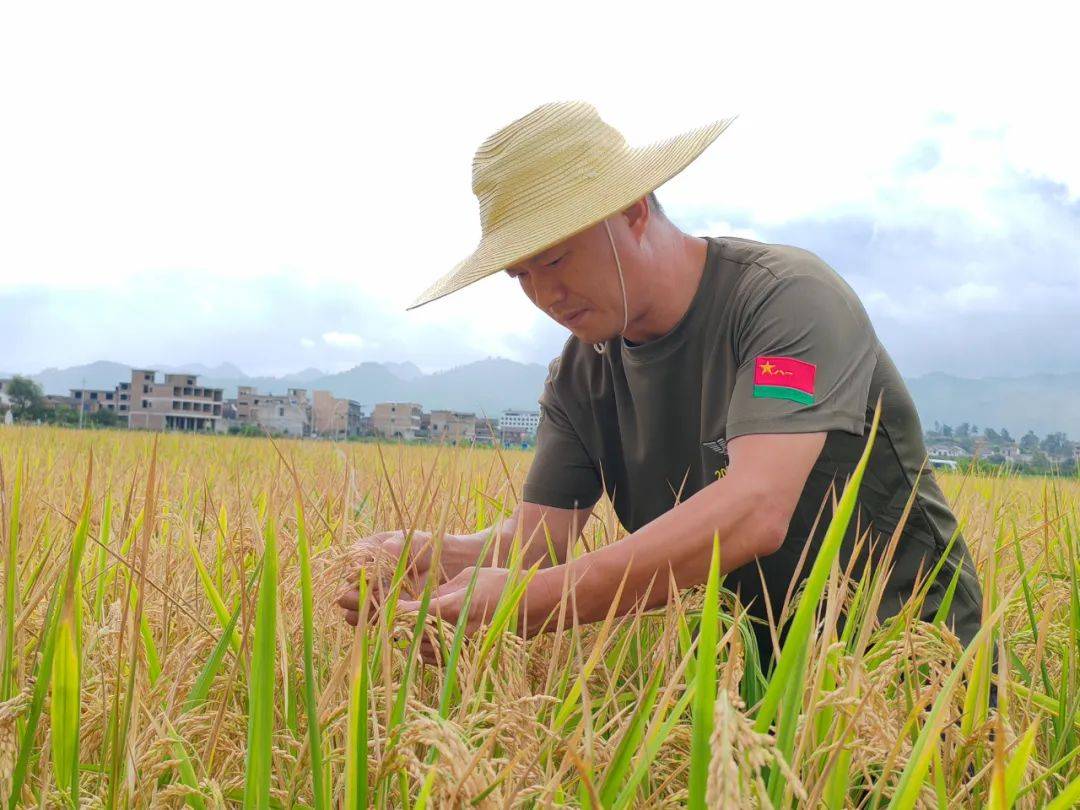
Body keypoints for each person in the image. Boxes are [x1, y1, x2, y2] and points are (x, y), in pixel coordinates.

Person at [336, 100, 983, 670]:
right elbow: (537, 543)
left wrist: (540, 602)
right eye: (520, 275)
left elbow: (757, 507)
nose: (545, 294)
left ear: (634, 211)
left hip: (907, 673)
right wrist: (433, 558)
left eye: (556, 258)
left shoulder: (784, 303)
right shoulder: (581, 376)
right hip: (742, 683)